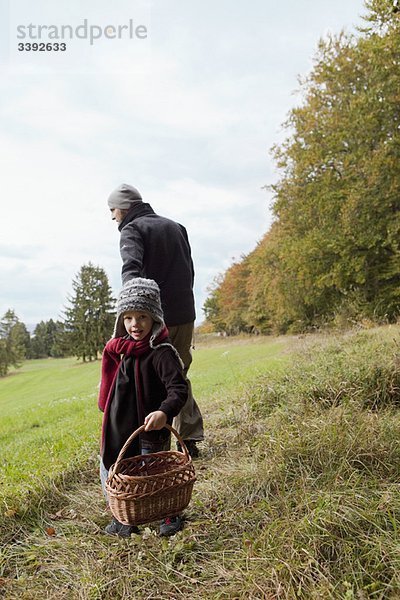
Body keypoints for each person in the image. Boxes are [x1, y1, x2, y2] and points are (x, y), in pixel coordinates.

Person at [107, 183, 204, 456]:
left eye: (112, 211)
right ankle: (190, 439)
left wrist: (131, 307)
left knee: (151, 381)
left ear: (122, 208)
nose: (113, 217)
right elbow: (190, 271)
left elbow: (131, 270)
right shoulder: (176, 227)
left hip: (154, 318)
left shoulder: (132, 229)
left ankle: (152, 449)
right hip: (185, 314)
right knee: (177, 375)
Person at [98, 277, 189, 537]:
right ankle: (127, 518)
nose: (134, 324)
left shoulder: (162, 352)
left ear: (155, 319)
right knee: (123, 470)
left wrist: (164, 411)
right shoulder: (123, 349)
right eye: (128, 317)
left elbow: (178, 389)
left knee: (155, 473)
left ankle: (168, 514)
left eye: (142, 317)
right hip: (124, 425)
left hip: (151, 428)